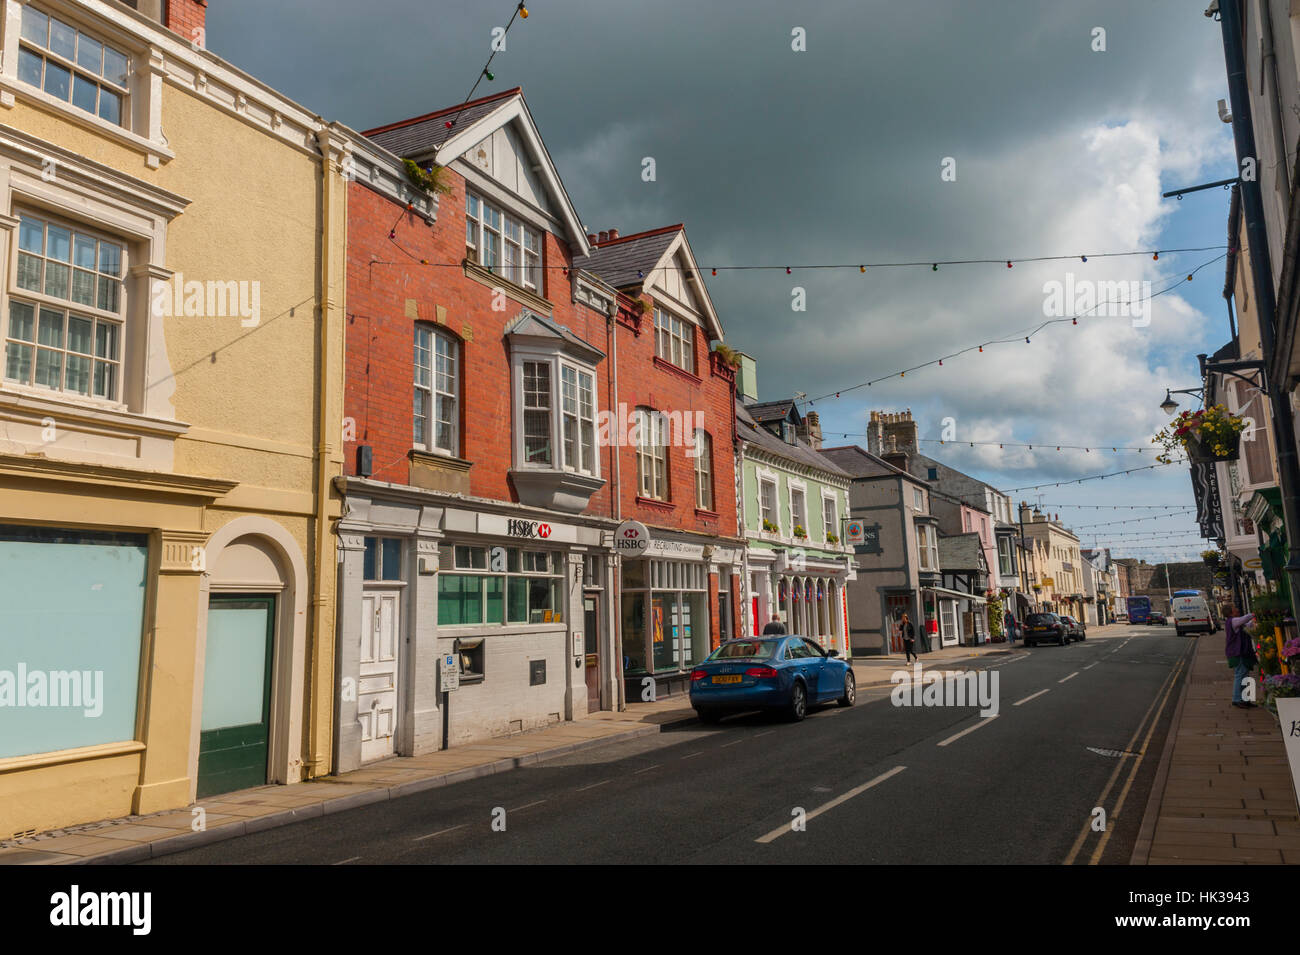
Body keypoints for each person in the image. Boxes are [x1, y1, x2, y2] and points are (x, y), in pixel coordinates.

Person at [1223, 604, 1258, 709]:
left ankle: (1245, 699)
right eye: (1234, 608)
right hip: (1237, 653)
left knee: (1245, 676)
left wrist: (1255, 621)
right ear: (1230, 612)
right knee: (1240, 675)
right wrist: (1254, 614)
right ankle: (1237, 699)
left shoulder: (1236, 622)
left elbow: (1249, 625)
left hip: (1242, 652)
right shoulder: (1232, 621)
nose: (1237, 609)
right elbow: (1245, 619)